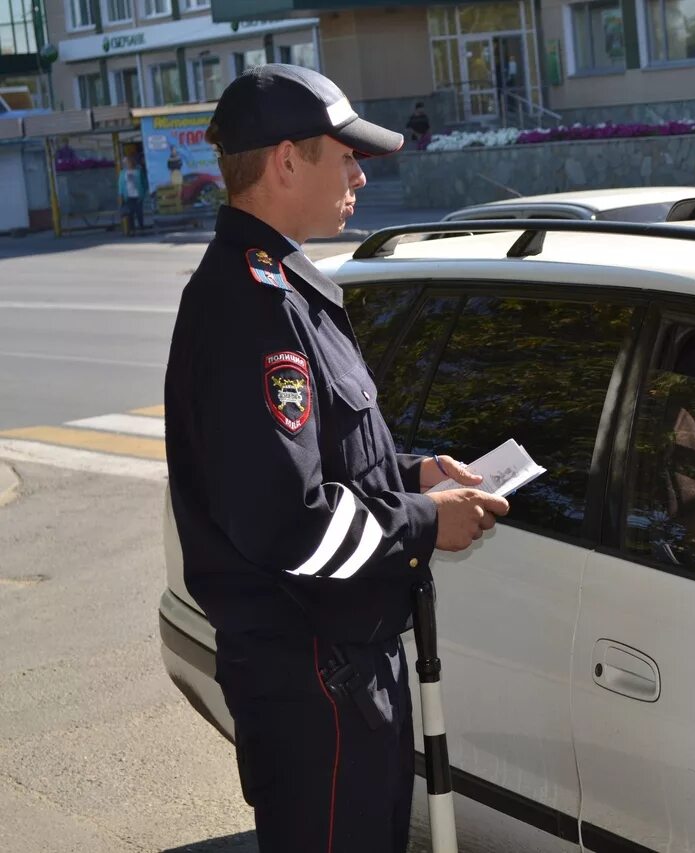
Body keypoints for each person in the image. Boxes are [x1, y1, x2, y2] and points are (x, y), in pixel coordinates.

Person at [164, 64, 510, 853]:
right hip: (311, 685)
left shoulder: (286, 286)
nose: (360, 172)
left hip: (344, 670)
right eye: (344, 154)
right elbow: (289, 523)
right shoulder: (249, 306)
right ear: (286, 161)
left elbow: (326, 461)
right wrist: (425, 523)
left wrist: (415, 474)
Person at [117, 153, 147, 235]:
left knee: (139, 213)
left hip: (138, 195)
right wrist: (120, 195)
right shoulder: (123, 173)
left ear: (132, 162)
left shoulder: (138, 171)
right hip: (128, 196)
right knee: (130, 214)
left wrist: (143, 192)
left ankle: (141, 228)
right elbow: (120, 185)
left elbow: (144, 182)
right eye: (125, 162)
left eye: (128, 162)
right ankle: (132, 230)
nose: (127, 164)